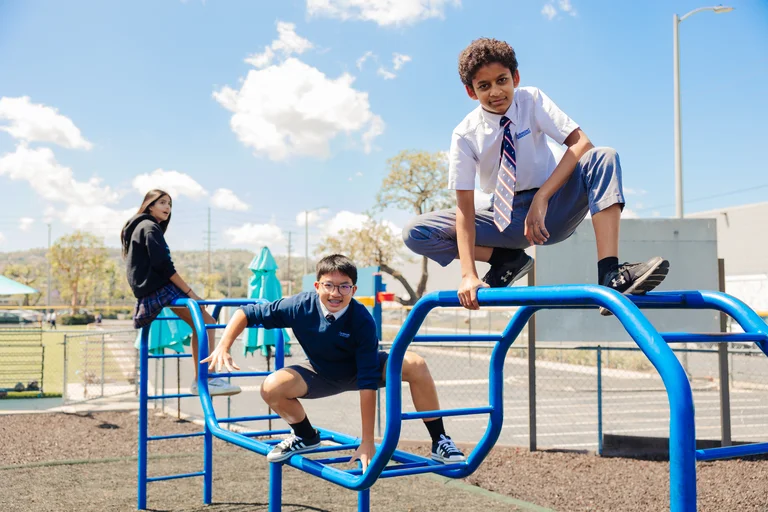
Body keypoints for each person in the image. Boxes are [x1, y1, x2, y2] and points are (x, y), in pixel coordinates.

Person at [403, 38, 669, 313]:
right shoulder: (465, 134)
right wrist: (468, 274)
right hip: (504, 218)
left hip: (553, 206)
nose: (495, 91)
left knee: (603, 156)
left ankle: (610, 274)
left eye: (502, 80)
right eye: (484, 86)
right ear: (471, 92)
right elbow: (464, 209)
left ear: (515, 77)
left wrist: (542, 198)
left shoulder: (531, 100)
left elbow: (581, 143)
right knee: (416, 231)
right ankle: (507, 260)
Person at [202, 254, 466, 470]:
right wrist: (223, 345)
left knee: (415, 364)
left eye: (344, 286)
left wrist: (367, 442)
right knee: (271, 387)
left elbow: (367, 383)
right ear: (317, 286)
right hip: (319, 371)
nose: (335, 293)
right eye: (329, 285)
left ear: (354, 289)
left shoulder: (361, 319)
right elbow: (246, 313)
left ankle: (439, 441)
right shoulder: (299, 306)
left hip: (363, 370)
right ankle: (306, 436)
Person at [121, 189, 240, 396]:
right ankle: (204, 378)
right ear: (150, 205)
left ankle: (204, 377)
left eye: (169, 204)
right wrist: (192, 294)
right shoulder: (149, 227)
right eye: (162, 203)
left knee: (204, 322)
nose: (167, 208)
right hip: (158, 289)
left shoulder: (141, 227)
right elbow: (165, 267)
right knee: (207, 322)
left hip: (152, 288)